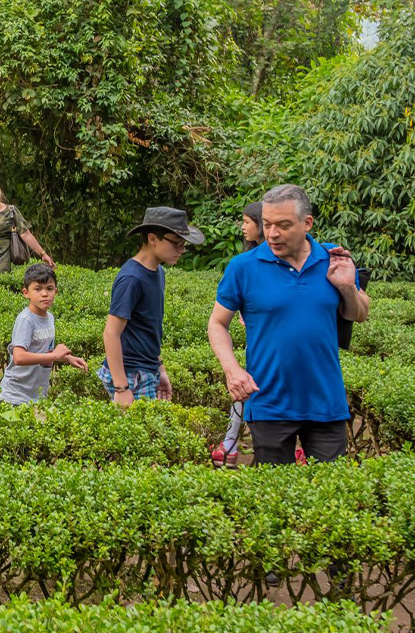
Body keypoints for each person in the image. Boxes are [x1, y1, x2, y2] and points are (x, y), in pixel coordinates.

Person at [207, 184, 370, 466]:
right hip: (269, 402)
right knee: (273, 500)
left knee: (332, 496)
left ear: (307, 223)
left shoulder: (333, 259)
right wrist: (232, 370)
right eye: (267, 224)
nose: (272, 234)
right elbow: (217, 323)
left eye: (283, 225)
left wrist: (346, 288)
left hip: (326, 403)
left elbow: (359, 313)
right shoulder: (242, 267)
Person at [100, 207, 204, 408]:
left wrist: (160, 368)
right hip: (131, 374)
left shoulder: (158, 272)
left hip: (147, 369)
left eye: (184, 245)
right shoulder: (131, 278)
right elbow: (110, 333)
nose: (181, 250)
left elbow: (148, 328)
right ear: (152, 239)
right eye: (177, 244)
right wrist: (121, 388)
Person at [210, 201, 264, 468]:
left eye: (247, 221)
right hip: (251, 345)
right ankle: (230, 443)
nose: (242, 227)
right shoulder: (244, 263)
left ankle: (230, 443)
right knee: (242, 389)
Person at [0, 263, 87, 405]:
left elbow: (44, 351)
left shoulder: (49, 317)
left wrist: (68, 358)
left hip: (36, 395)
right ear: (26, 293)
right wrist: (55, 356)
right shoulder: (26, 320)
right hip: (15, 396)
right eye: (38, 289)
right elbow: (19, 357)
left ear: (56, 291)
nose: (45, 294)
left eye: (49, 289)